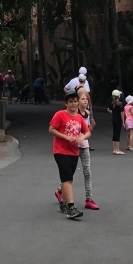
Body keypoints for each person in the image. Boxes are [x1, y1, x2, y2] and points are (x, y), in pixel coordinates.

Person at [48, 91, 91, 220]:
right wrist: (65, 137)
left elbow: (88, 132)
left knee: (68, 178)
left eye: (75, 101)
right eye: (70, 101)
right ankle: (71, 208)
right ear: (66, 103)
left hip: (74, 152)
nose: (73, 104)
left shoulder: (79, 117)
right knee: (67, 179)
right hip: (60, 151)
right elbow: (51, 129)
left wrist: (82, 137)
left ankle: (62, 196)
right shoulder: (60, 114)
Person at [75, 86, 99, 209]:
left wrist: (85, 136)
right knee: (70, 172)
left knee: (87, 172)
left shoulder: (88, 114)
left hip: (84, 146)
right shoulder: (74, 114)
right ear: (77, 101)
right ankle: (60, 190)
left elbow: (89, 128)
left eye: (86, 99)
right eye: (83, 99)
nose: (85, 101)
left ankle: (89, 198)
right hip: (73, 146)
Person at [110, 90, 125, 155]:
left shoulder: (112, 103)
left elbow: (108, 109)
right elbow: (122, 113)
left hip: (114, 120)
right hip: (118, 120)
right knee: (118, 134)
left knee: (114, 134)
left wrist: (113, 113)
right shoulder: (120, 104)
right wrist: (123, 122)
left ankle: (114, 149)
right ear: (118, 96)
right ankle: (118, 149)